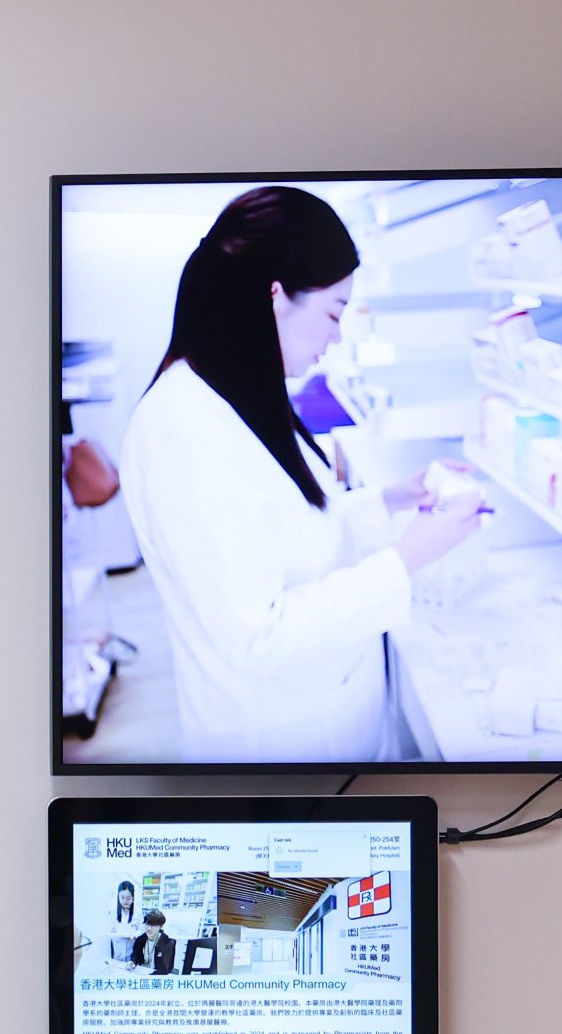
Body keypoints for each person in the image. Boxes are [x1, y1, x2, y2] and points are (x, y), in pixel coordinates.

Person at [116, 186, 486, 763]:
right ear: (276, 297)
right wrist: (408, 556)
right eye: (334, 313)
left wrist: (391, 498)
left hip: (327, 713)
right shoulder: (182, 433)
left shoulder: (239, 390)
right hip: (278, 745)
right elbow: (256, 635)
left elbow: (286, 524)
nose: (336, 337)